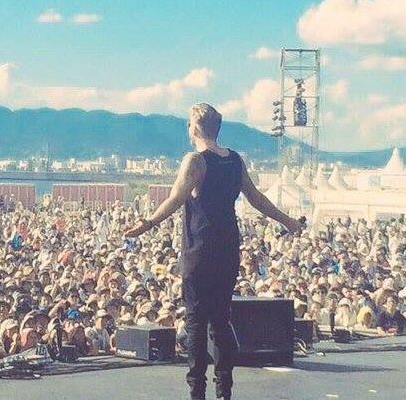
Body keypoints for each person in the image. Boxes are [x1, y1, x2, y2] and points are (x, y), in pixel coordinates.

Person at [124, 103, 302, 400]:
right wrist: (288, 221)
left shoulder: (195, 160)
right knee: (221, 320)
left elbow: (176, 197)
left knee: (196, 322)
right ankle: (224, 390)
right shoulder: (234, 160)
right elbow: (257, 198)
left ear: (194, 127)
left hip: (200, 248)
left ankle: (197, 392)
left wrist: (148, 223)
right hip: (228, 247)